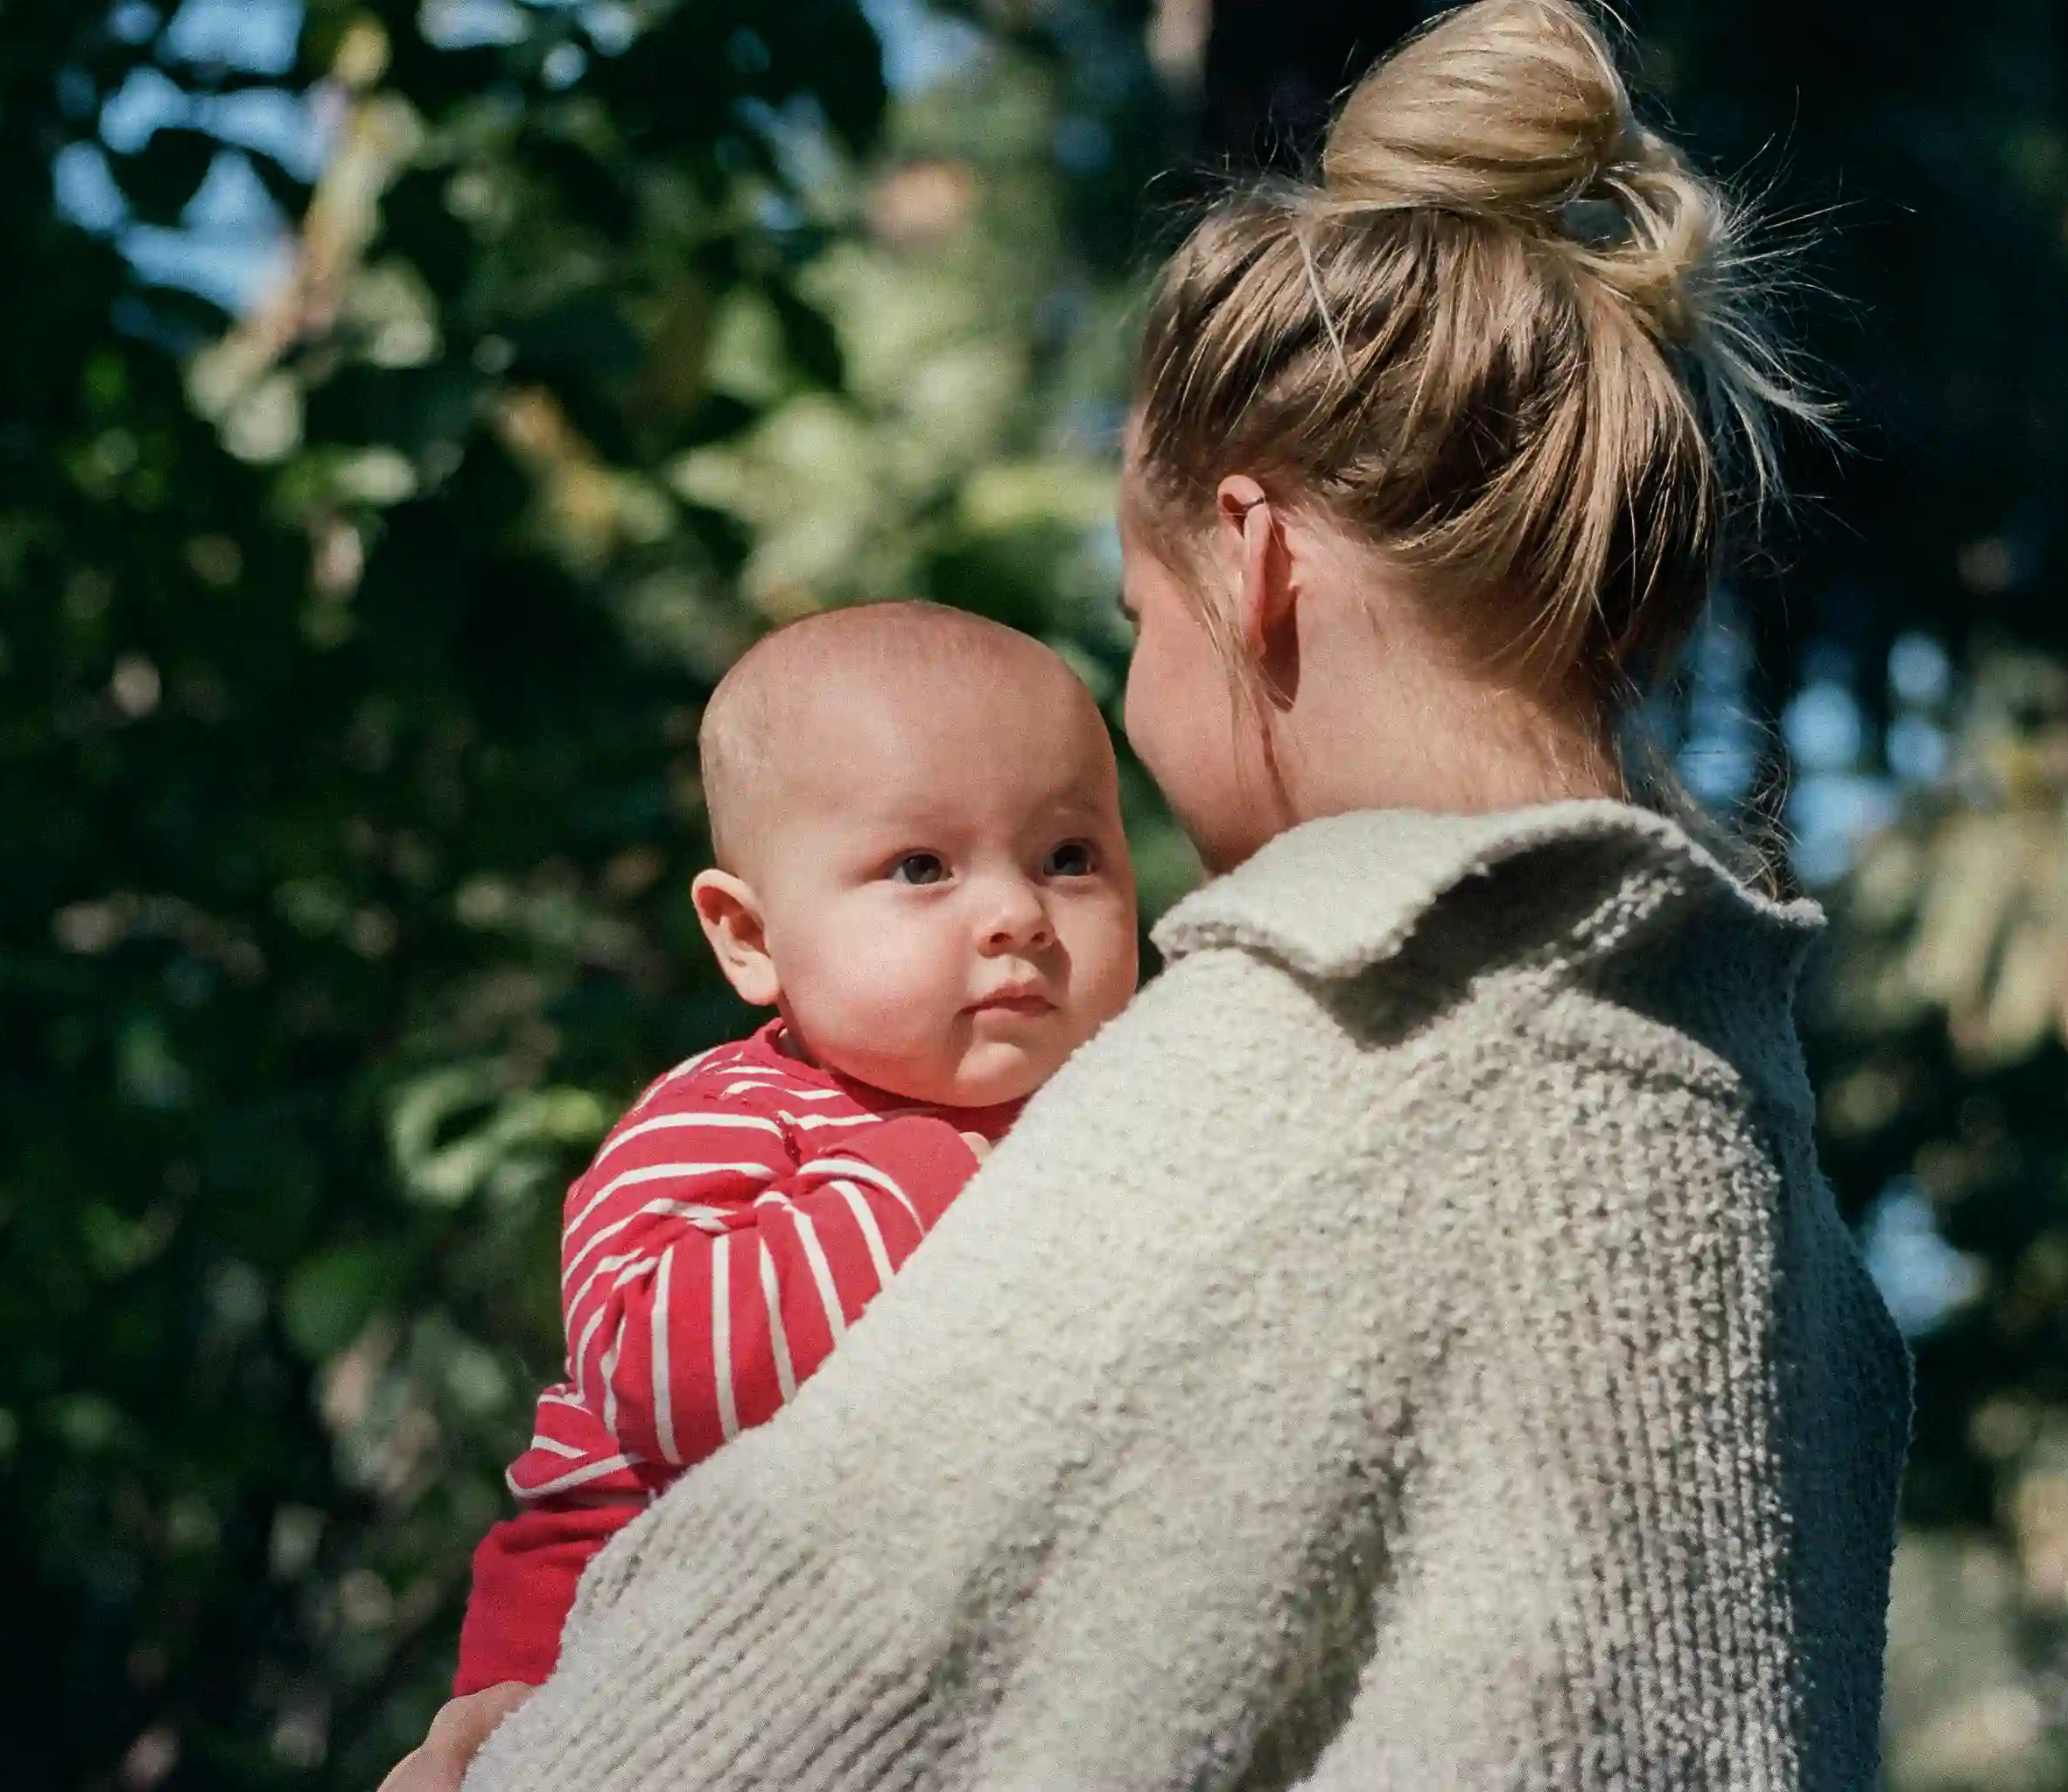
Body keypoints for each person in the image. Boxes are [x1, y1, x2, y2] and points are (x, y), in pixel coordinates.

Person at [428, 1, 1915, 1783]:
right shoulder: (1758, 1147)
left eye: (1136, 622)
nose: (1130, 722)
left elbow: (722, 1732)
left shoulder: (1283, 1078)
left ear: (1258, 559)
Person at [386, 604, 1141, 1788]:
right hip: (601, 1647)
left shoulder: (1128, 1100)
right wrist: (926, 1172)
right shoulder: (730, 1118)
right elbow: (661, 1381)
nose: (1018, 917)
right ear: (749, 938)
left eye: (1070, 857)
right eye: (921, 868)